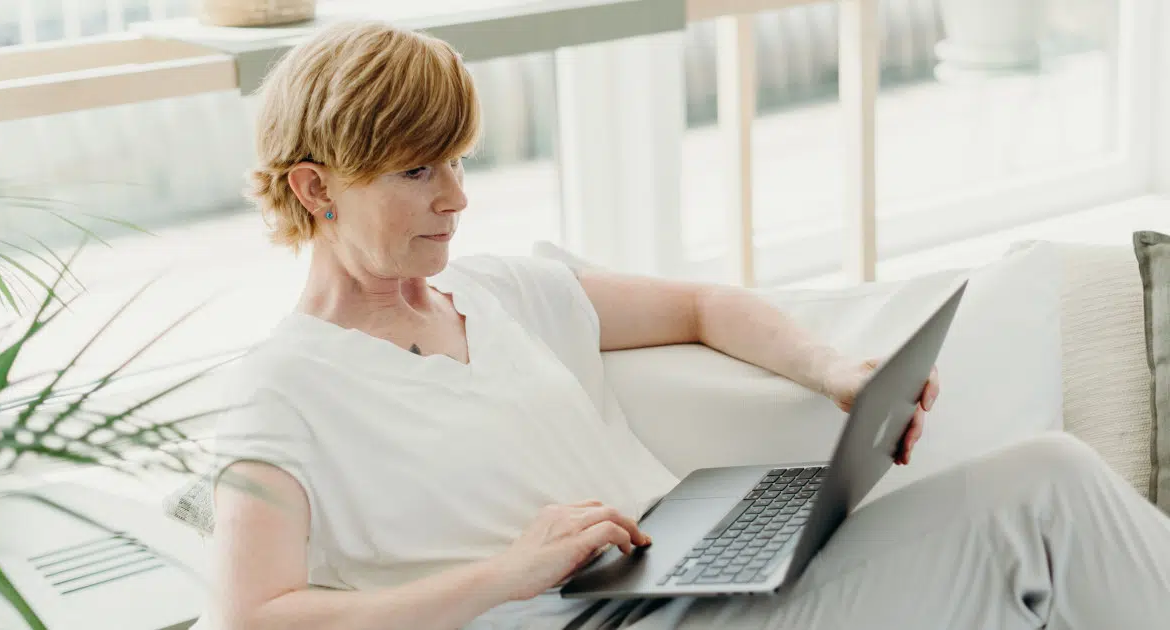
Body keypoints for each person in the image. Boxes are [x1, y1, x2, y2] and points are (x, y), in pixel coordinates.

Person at [206, 20, 1170, 630]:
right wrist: (509, 573)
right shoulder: (283, 385)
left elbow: (700, 306)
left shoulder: (501, 294)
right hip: (581, 619)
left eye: (458, 162)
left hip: (707, 576)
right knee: (1046, 504)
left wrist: (834, 372)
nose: (457, 198)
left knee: (1051, 477)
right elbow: (254, 615)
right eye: (420, 171)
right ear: (313, 186)